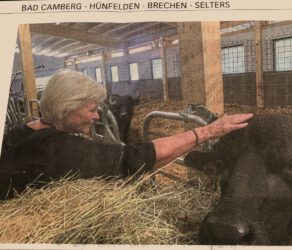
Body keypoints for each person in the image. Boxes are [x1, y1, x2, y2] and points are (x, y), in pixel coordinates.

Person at [0, 70, 253, 199]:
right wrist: (210, 130)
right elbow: (137, 158)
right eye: (91, 110)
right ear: (67, 108)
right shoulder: (57, 148)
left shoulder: (19, 133)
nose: (97, 117)